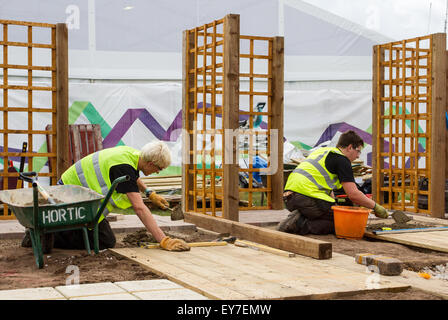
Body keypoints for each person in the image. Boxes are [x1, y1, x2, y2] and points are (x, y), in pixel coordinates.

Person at [22, 141, 190, 252]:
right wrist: (163, 240)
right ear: (151, 163)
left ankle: (53, 232)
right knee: (104, 242)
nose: (158, 172)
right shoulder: (124, 167)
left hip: (80, 195)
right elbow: (139, 208)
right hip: (71, 197)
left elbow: (133, 175)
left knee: (102, 238)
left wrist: (149, 193)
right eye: (158, 169)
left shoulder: (132, 155)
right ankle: (40, 236)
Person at [277, 130, 388, 236]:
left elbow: (327, 189)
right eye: (358, 151)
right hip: (306, 197)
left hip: (289, 197)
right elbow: (353, 194)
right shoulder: (342, 160)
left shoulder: (323, 152)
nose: (358, 156)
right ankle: (300, 224)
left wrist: (335, 204)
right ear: (350, 147)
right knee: (343, 223)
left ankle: (300, 216)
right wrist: (376, 207)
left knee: (333, 211)